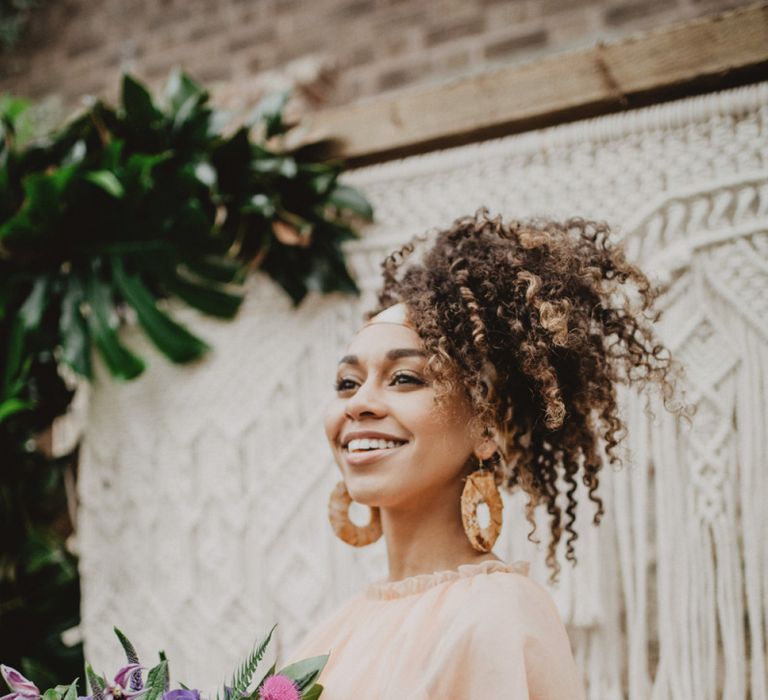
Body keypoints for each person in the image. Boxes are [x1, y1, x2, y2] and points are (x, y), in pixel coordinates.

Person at [289, 209, 681, 698]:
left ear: (490, 425)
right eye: (347, 383)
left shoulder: (497, 614)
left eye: (405, 378)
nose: (360, 403)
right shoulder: (334, 632)